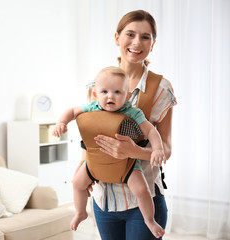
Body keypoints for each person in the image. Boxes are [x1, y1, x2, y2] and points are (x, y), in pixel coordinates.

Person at [84, 10, 177, 240]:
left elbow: (165, 149)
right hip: (104, 199)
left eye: (146, 37)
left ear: (152, 44)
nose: (137, 42)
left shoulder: (161, 89)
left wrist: (134, 151)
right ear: (117, 38)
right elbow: (91, 136)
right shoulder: (97, 85)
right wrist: (87, 171)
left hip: (142, 201)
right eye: (130, 34)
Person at [52, 66, 166, 238]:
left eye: (117, 92)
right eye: (104, 91)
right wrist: (61, 123)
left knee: (142, 191)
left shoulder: (132, 112)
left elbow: (151, 131)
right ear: (96, 94)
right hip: (96, 164)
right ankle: (80, 212)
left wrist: (157, 149)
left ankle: (149, 220)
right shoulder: (92, 107)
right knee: (77, 183)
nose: (110, 96)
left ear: (127, 96)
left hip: (127, 165)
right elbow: (72, 111)